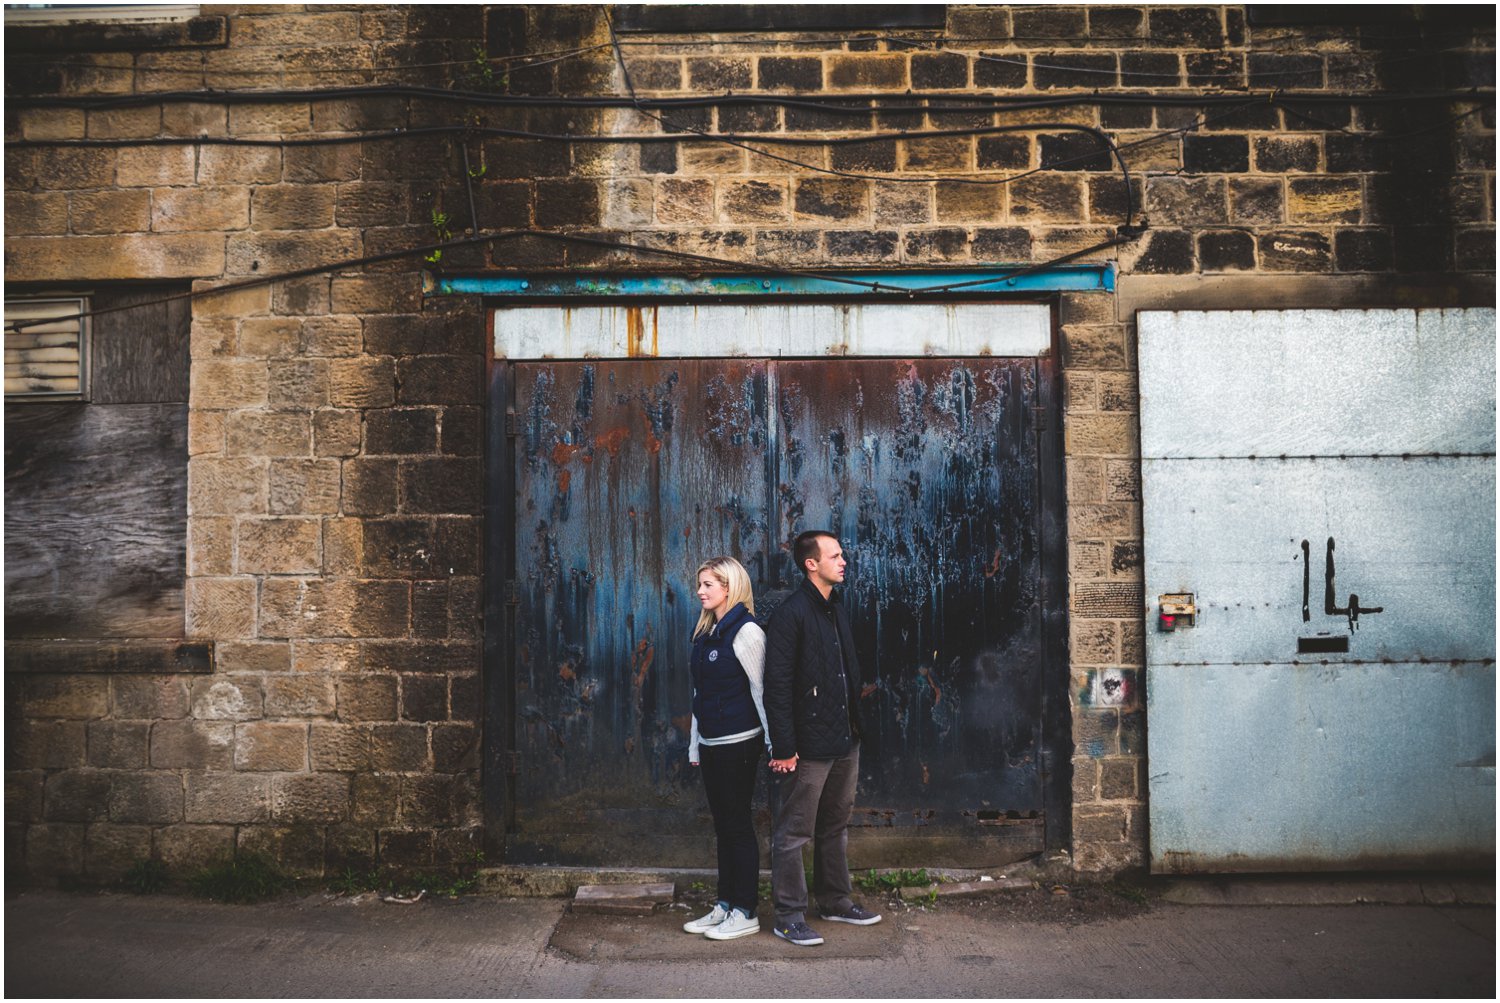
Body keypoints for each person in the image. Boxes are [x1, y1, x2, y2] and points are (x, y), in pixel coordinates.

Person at [763, 530, 883, 947]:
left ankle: (834, 900)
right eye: (834, 555)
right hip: (809, 747)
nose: (843, 560)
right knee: (795, 831)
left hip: (846, 740)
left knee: (834, 825)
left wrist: (855, 729)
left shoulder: (836, 608)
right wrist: (784, 747)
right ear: (811, 564)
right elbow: (776, 686)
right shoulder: (791, 614)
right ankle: (789, 915)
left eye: (842, 554)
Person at [682, 556, 771, 941]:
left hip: (740, 743)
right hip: (712, 744)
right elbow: (700, 694)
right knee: (723, 826)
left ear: (729, 587)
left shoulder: (747, 632)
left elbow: (762, 691)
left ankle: (746, 910)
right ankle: (725, 904)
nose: (700, 591)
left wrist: (774, 742)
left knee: (737, 826)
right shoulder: (706, 633)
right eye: (700, 585)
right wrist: (694, 743)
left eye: (707, 585)